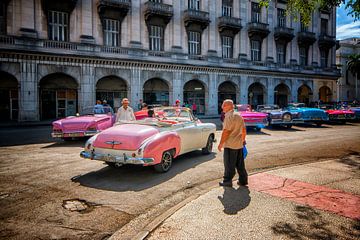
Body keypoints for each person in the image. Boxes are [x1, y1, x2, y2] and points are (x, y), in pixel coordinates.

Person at [217, 99, 247, 187]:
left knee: (229, 164)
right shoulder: (238, 115)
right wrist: (242, 140)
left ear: (229, 106)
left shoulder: (229, 116)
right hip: (239, 144)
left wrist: (221, 144)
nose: (222, 107)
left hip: (230, 145)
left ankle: (227, 181)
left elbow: (226, 131)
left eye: (224, 105)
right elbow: (244, 130)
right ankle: (243, 180)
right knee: (240, 164)